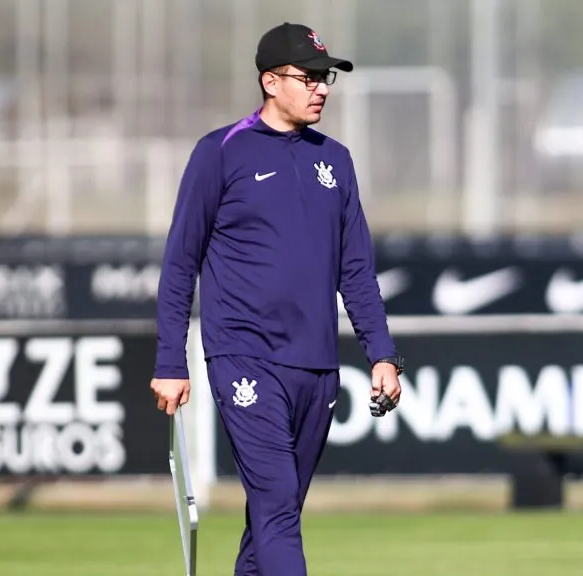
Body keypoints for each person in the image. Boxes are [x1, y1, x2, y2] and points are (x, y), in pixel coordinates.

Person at [149, 22, 404, 576]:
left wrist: (382, 354)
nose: (321, 88)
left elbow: (356, 269)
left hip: (317, 366)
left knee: (272, 517)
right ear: (270, 81)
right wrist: (170, 361)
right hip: (245, 357)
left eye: (325, 78)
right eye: (308, 77)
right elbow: (180, 263)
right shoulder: (221, 152)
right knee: (278, 508)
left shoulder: (335, 160)